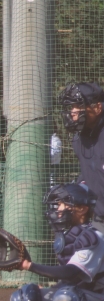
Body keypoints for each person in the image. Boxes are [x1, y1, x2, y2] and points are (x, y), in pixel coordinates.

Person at [9, 183, 104, 301]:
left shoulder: (93, 237)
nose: (57, 209)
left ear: (82, 209)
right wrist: (51, 289)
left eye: (62, 204)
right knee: (24, 298)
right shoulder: (69, 236)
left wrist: (29, 265)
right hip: (87, 298)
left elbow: (70, 272)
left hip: (99, 298)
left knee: (66, 297)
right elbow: (73, 280)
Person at [59, 83, 104, 231]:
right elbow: (90, 174)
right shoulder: (79, 140)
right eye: (71, 107)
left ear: (97, 108)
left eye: (79, 106)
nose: (73, 111)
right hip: (99, 218)